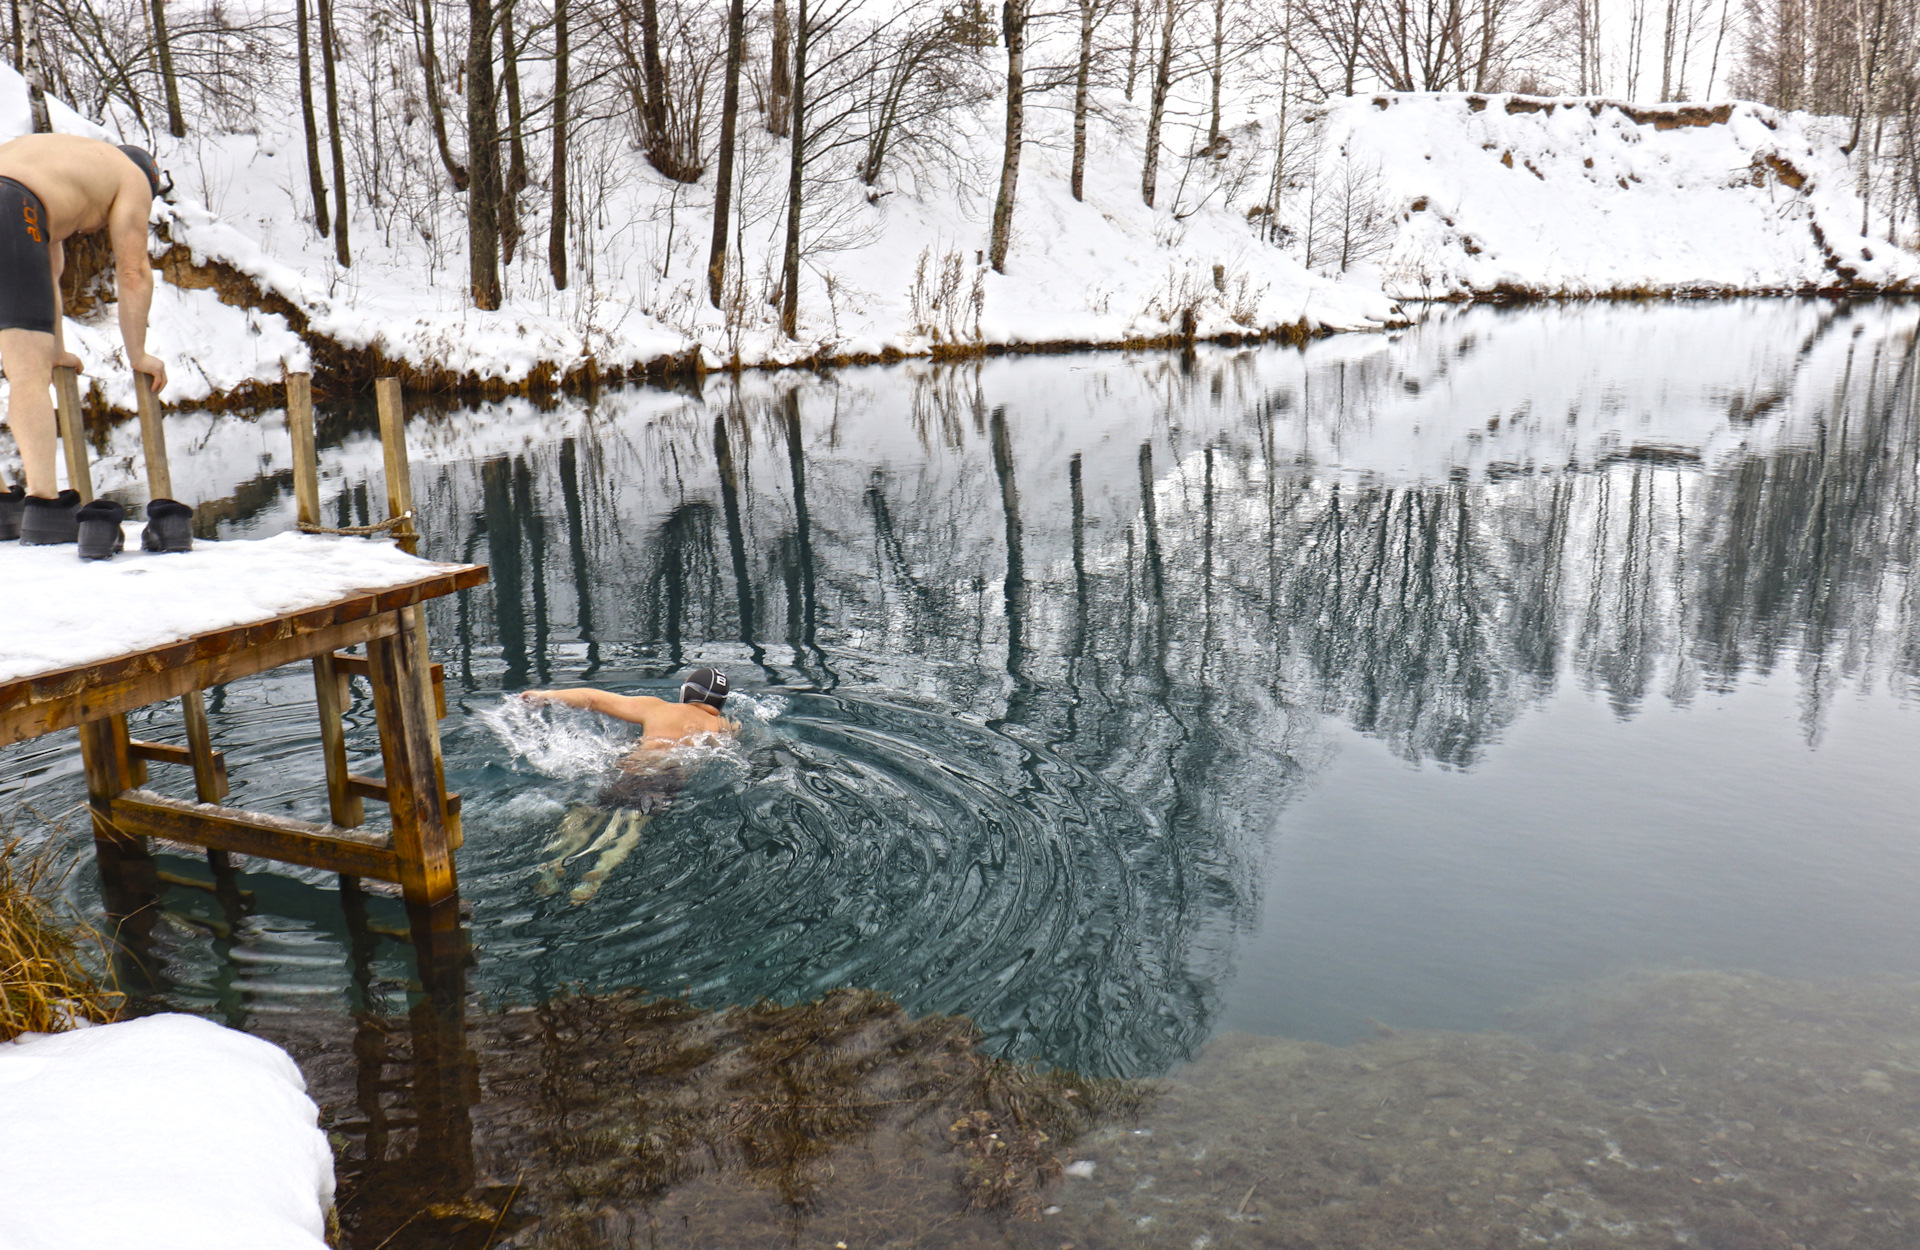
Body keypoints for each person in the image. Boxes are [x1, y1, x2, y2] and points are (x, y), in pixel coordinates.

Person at [0, 134, 192, 558]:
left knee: (28, 360)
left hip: (12, 203)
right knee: (27, 376)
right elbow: (133, 272)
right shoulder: (132, 178)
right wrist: (138, 354)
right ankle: (45, 505)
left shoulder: (64, 164)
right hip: (10, 207)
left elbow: (43, 273)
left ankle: (2, 506)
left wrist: (56, 349)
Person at [520, 667, 735, 904]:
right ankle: (600, 871)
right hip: (668, 777)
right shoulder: (724, 727)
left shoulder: (658, 708)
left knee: (593, 810)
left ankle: (555, 860)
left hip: (634, 768)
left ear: (688, 691)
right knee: (632, 826)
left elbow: (593, 699)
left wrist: (545, 695)